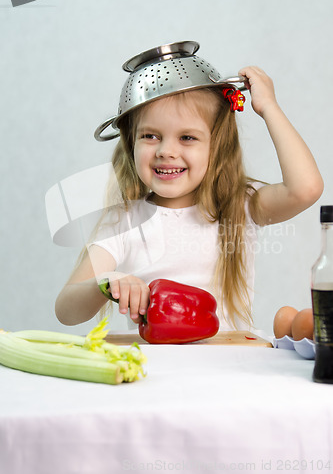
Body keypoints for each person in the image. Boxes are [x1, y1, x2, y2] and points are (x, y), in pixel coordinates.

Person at [55, 60, 323, 331]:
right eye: (150, 135)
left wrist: (269, 108)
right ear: (130, 142)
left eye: (187, 138)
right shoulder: (123, 220)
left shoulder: (239, 207)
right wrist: (106, 281)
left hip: (228, 366)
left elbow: (305, 189)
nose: (166, 151)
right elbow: (66, 310)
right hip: (156, 369)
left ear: (216, 146)